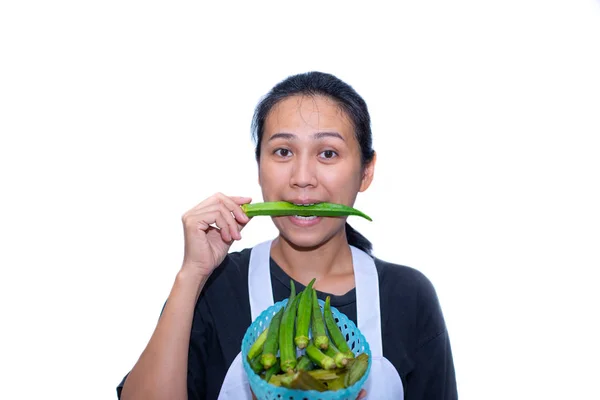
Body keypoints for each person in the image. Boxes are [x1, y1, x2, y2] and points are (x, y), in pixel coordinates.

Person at [116, 71, 458, 400]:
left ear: (366, 171)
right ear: (259, 165)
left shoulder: (408, 297)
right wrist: (191, 275)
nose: (303, 177)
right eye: (283, 152)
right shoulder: (215, 285)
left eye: (328, 153)